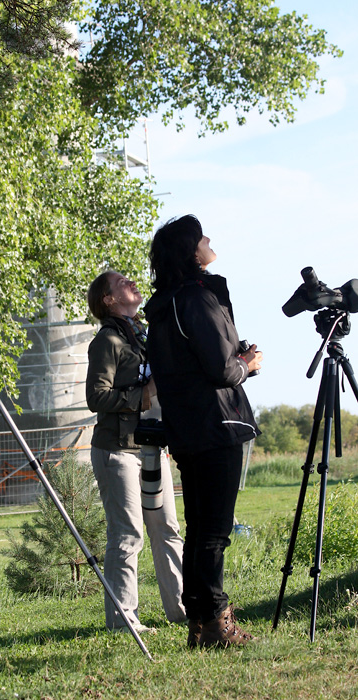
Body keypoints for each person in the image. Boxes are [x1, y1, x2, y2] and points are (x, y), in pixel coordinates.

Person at [144, 215, 262, 648]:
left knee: (200, 529)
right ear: (194, 253)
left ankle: (201, 621)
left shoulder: (164, 305)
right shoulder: (196, 299)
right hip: (217, 423)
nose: (211, 240)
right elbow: (219, 367)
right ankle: (215, 623)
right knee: (214, 532)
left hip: (187, 427)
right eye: (203, 237)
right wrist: (246, 364)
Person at [86, 270, 186, 633]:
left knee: (168, 530)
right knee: (128, 534)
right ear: (109, 300)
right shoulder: (107, 341)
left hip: (151, 448)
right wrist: (143, 395)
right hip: (118, 451)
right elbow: (96, 397)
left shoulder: (142, 335)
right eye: (121, 282)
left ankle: (180, 609)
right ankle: (123, 620)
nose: (131, 282)